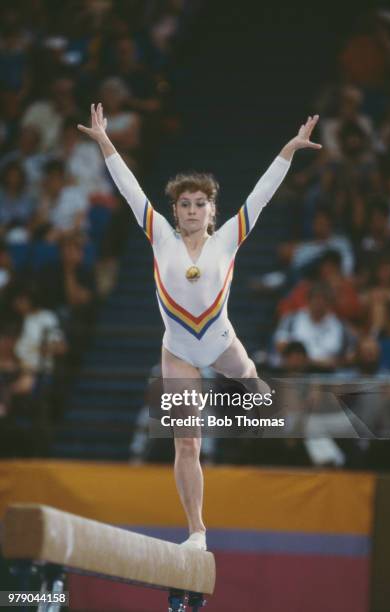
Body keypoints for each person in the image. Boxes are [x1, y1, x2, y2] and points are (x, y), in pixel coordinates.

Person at [77, 103, 322, 550]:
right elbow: (131, 191)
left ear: (212, 212)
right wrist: (105, 142)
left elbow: (261, 196)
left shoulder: (228, 237)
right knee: (186, 443)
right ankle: (196, 531)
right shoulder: (159, 236)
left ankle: (258, 388)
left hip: (223, 343)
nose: (192, 210)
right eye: (185, 204)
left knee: (246, 375)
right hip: (178, 353)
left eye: (200, 204)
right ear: (175, 211)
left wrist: (288, 150)